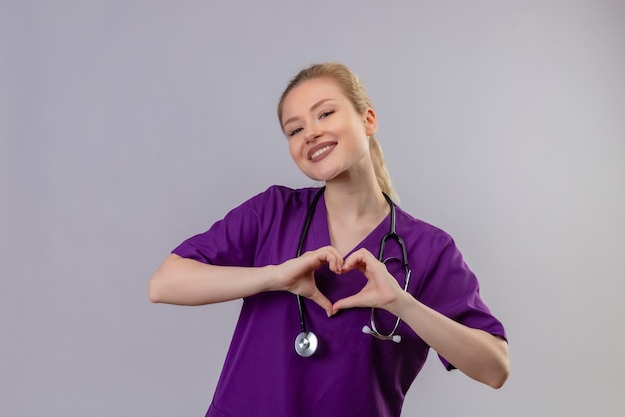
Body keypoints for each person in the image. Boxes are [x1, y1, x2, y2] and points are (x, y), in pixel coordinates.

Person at [149, 62, 509, 417]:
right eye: (295, 129)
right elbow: (164, 284)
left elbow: (494, 368)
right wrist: (276, 276)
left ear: (367, 120)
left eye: (325, 114)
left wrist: (402, 304)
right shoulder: (273, 213)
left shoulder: (427, 249)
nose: (310, 133)